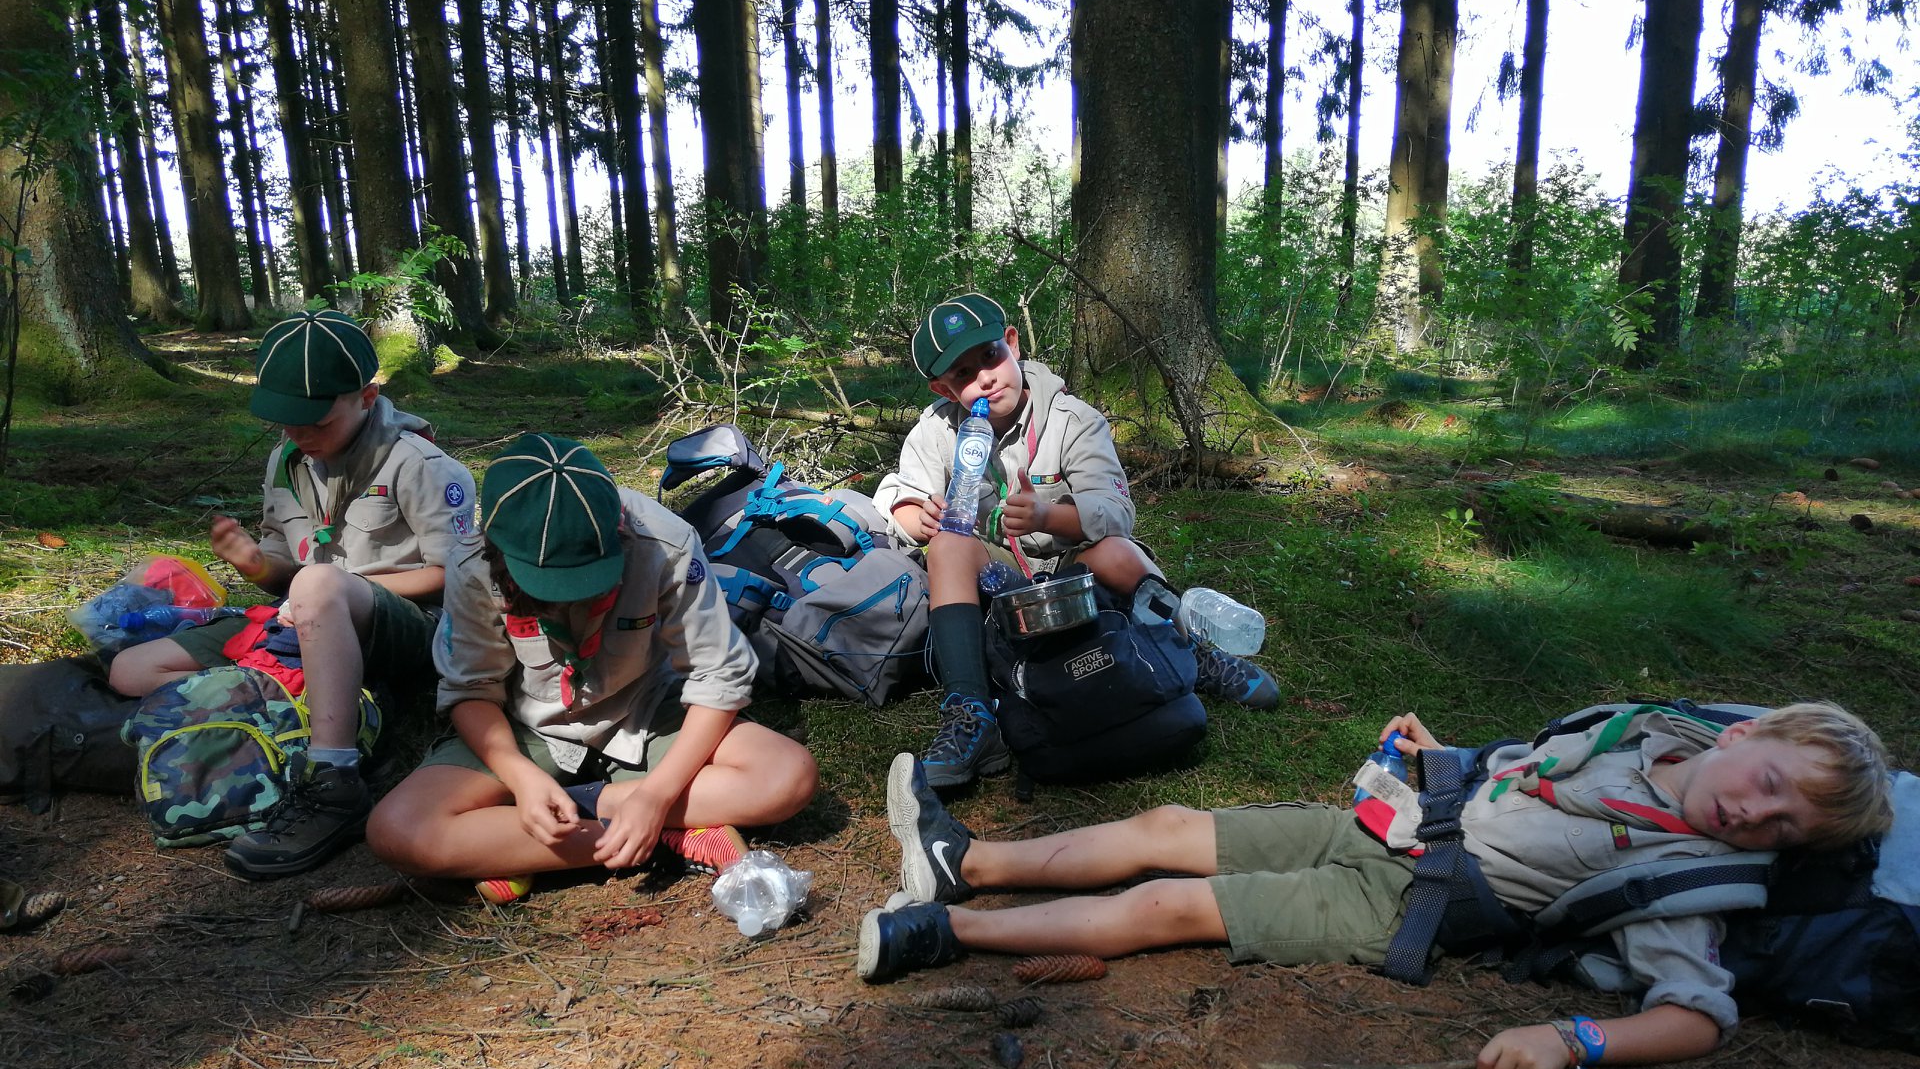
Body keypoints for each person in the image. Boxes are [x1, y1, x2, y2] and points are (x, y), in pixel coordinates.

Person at [859, 702, 1893, 1069]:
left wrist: (1572, 1040)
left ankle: (937, 932)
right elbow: (1523, 780)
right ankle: (970, 862)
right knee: (1163, 832)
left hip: (1408, 901)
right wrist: (1447, 760)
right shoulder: (1655, 734)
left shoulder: (1692, 882)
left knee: (1166, 907)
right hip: (1395, 817)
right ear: (1747, 736)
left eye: (1785, 829)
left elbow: (1695, 1019)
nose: (1757, 819)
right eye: (1769, 787)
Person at [366, 433, 818, 903]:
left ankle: (527, 841)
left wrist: (656, 796)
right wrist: (520, 777)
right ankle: (659, 835)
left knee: (786, 775)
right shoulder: (471, 563)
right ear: (499, 554)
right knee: (399, 830)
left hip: (645, 713)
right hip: (527, 729)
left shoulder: (663, 543)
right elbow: (472, 689)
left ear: (618, 535)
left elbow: (718, 676)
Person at [109, 310, 475, 879]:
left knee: (320, 583)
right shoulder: (287, 460)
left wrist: (326, 588)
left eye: (315, 421)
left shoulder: (419, 465)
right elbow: (288, 565)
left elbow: (454, 576)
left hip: (407, 626)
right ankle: (285, 707)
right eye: (286, 422)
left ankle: (334, 779)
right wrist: (258, 565)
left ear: (366, 396)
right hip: (303, 616)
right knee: (130, 672)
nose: (300, 435)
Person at [873, 292, 1277, 790]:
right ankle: (969, 714)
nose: (984, 377)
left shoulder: (1073, 419)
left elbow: (1115, 512)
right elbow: (893, 495)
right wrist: (916, 516)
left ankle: (1191, 649)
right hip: (1003, 584)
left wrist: (1048, 514)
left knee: (1116, 551)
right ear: (943, 387)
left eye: (990, 355)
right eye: (962, 375)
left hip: (1075, 572)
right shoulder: (936, 432)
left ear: (1013, 344)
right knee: (949, 546)